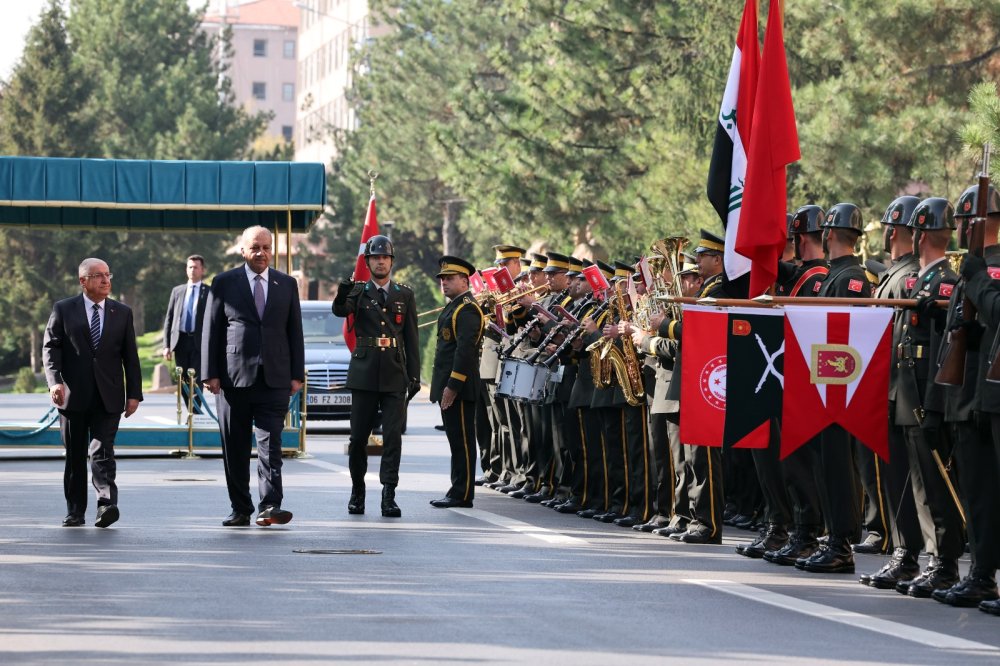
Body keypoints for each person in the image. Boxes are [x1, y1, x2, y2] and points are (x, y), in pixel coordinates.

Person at [202, 226, 304, 528]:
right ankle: (240, 508)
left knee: (271, 446)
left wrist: (296, 374)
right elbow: (212, 330)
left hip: (275, 378)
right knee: (234, 447)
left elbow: (294, 331)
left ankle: (270, 505)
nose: (261, 253)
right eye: (255, 248)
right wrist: (210, 373)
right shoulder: (223, 283)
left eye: (266, 247)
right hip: (234, 379)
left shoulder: (286, 284)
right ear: (243, 250)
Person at [43, 258, 142, 528]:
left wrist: (134, 394)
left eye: (108, 275)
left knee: (102, 451)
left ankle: (106, 504)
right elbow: (51, 348)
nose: (105, 280)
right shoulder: (64, 309)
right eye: (98, 276)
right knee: (75, 456)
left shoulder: (122, 312)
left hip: (109, 395)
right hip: (72, 397)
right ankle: (75, 511)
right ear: (83, 281)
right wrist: (54, 381)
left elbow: (130, 357)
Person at [333, 234, 420, 518]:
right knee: (359, 438)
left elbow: (411, 338)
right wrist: (343, 291)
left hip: (395, 372)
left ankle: (388, 495)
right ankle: (357, 491)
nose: (380, 261)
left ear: (391, 262)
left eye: (385, 257)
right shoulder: (358, 292)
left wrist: (415, 376)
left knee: (392, 438)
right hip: (364, 373)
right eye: (375, 257)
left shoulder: (404, 294)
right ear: (368, 262)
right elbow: (339, 310)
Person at [429, 255, 486, 508]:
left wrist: (452, 387)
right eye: (442, 279)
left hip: (460, 389)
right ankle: (457, 489)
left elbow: (465, 351)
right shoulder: (454, 306)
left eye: (450, 279)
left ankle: (462, 493)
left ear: (465, 281)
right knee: (456, 440)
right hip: (451, 387)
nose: (444, 283)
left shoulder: (467, 309)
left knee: (462, 441)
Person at [162, 254, 209, 412]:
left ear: (202, 270)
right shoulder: (177, 291)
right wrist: (166, 345)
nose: (192, 270)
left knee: (196, 379)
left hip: (199, 342)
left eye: (196, 267)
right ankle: (189, 408)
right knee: (181, 379)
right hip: (180, 341)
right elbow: (169, 318)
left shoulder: (209, 292)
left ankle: (195, 412)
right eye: (190, 267)